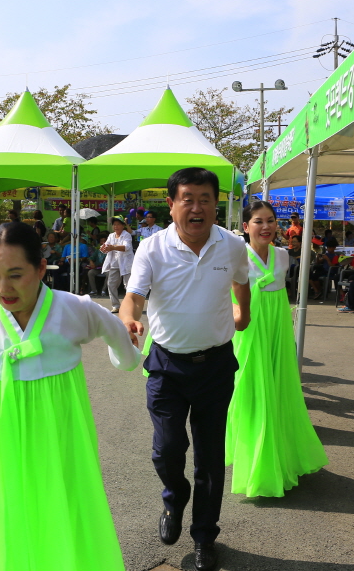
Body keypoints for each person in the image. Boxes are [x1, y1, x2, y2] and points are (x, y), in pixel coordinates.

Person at [0, 221, 139, 571]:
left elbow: (117, 336)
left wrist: (128, 356)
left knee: (67, 507)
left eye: (15, 274)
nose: (4, 288)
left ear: (41, 267)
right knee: (7, 512)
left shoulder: (74, 308)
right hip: (2, 443)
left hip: (63, 436)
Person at [118, 168, 250, 571]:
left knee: (210, 457)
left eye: (205, 199)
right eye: (188, 199)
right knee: (167, 449)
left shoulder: (232, 246)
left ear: (216, 204)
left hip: (215, 365)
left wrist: (242, 313)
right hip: (166, 365)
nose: (197, 207)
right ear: (172, 204)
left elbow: (241, 282)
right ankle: (174, 497)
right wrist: (129, 320)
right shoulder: (151, 248)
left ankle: (204, 538)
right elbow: (134, 297)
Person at [225, 200, 327, 497]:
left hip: (278, 327)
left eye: (270, 220)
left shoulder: (282, 256)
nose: (266, 226)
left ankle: (280, 452)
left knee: (279, 386)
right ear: (246, 227)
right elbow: (224, 293)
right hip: (249, 327)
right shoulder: (236, 255)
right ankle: (254, 456)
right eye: (258, 221)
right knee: (250, 387)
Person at [102, 217, 133, 313]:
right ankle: (116, 306)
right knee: (111, 285)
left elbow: (126, 247)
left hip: (126, 263)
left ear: (123, 226)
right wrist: (103, 248)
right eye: (114, 224)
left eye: (118, 224)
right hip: (114, 263)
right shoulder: (111, 236)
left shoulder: (127, 235)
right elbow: (107, 246)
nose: (116, 226)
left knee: (128, 286)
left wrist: (112, 247)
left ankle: (129, 307)